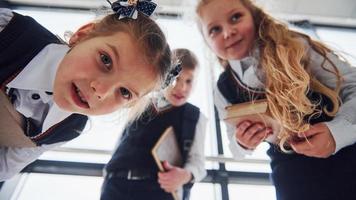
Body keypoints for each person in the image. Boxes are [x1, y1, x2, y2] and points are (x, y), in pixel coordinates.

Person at [195, 0, 356, 199]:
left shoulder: (295, 47)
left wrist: (336, 134)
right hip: (291, 178)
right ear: (207, 42)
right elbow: (233, 145)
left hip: (345, 160)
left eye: (235, 17)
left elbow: (353, 87)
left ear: (254, 16)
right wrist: (242, 142)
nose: (228, 32)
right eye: (214, 30)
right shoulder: (222, 88)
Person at [0, 0, 172, 181]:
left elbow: (5, 166)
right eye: (106, 60)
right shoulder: (9, 29)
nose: (101, 90)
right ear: (82, 35)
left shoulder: (69, 128)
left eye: (124, 92)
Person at [101, 48, 207, 200]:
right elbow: (122, 141)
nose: (181, 87)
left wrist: (184, 176)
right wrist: (108, 175)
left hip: (158, 191)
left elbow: (197, 162)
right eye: (176, 78)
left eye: (189, 81)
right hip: (115, 187)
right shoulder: (140, 102)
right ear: (164, 76)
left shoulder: (194, 117)